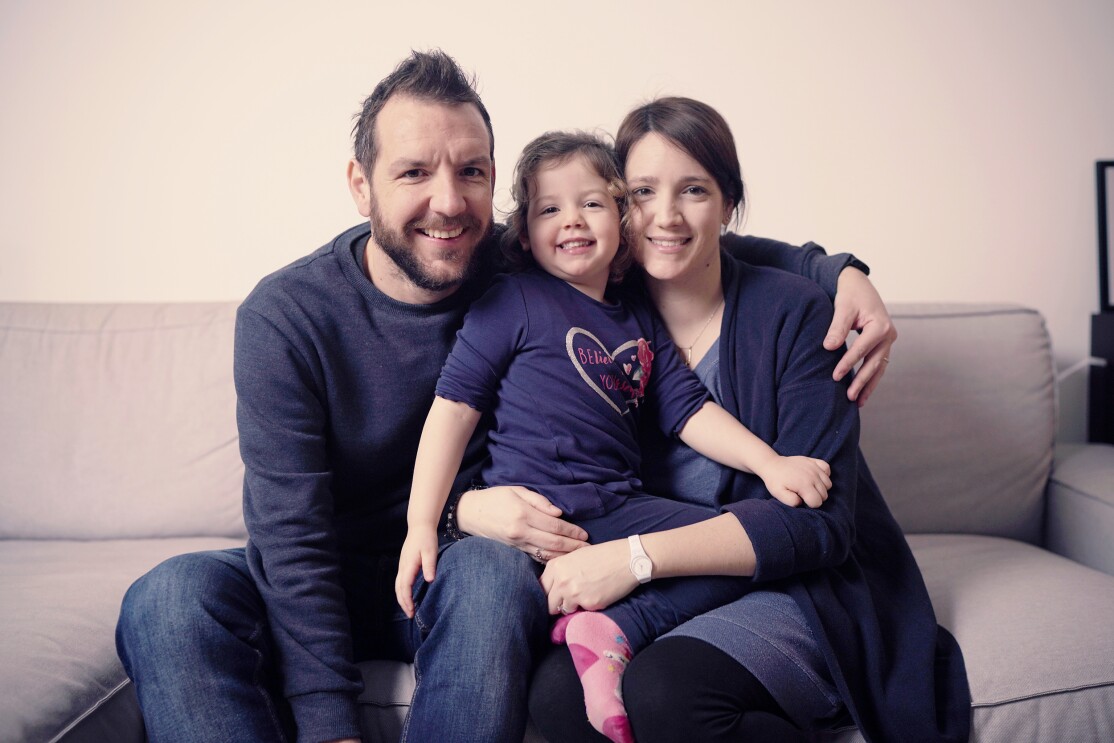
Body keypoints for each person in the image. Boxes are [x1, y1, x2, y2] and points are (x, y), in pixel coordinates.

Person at [113, 48, 896, 743]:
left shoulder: (521, 259)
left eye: (471, 172)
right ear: (360, 184)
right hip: (342, 564)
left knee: (490, 574)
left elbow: (673, 234)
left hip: (464, 569)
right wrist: (332, 726)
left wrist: (836, 270)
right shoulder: (287, 316)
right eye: (414, 172)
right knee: (170, 597)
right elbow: (292, 543)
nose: (448, 202)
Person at [527, 97, 971, 743]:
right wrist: (466, 508)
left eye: (694, 190)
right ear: (618, 204)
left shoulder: (796, 314)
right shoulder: (589, 311)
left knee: (667, 691)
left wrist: (635, 558)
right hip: (664, 592)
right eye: (644, 191)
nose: (666, 215)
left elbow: (820, 526)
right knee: (557, 696)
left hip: (795, 585)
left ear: (729, 204)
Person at [395, 131, 832, 742]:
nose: (572, 220)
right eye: (550, 208)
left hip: (618, 506)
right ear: (525, 234)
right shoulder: (513, 300)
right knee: (731, 551)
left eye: (592, 204)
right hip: (541, 515)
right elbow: (453, 409)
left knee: (739, 544)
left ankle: (612, 628)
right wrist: (423, 523)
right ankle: (616, 626)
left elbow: (688, 410)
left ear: (623, 221)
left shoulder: (637, 315)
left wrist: (770, 464)